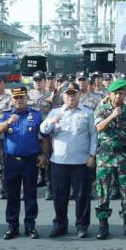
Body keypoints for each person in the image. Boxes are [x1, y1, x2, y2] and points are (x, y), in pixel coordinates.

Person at [40, 83, 96, 238]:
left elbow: (94, 135)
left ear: (79, 95)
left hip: (81, 162)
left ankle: (82, 226)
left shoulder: (87, 112)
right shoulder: (55, 111)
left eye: (74, 94)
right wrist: (51, 122)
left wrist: (92, 155)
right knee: (59, 196)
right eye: (68, 94)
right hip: (59, 162)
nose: (71, 97)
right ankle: (60, 225)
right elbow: (43, 130)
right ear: (63, 96)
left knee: (82, 196)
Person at [0, 87, 47, 240]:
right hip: (11, 161)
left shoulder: (37, 114)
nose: (18, 100)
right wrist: (8, 122)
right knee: (12, 195)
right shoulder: (5, 114)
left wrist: (44, 155)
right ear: (11, 100)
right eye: (16, 97)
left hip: (30, 161)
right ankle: (12, 226)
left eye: (21, 97)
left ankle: (30, 226)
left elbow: (44, 136)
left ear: (27, 99)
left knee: (30, 195)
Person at [92, 78, 126, 239]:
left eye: (121, 93)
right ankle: (103, 226)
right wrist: (112, 115)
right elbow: (99, 127)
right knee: (103, 191)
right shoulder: (102, 109)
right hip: (106, 157)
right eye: (116, 93)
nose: (119, 96)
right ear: (109, 94)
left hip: (125, 156)